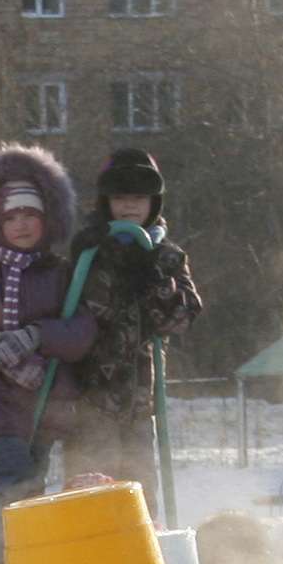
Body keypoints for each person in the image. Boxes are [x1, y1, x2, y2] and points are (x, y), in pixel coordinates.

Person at [0, 143, 99, 500]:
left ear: (48, 218)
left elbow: (82, 331)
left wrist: (37, 335)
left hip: (44, 403)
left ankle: (29, 554)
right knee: (11, 493)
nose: (21, 224)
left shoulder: (60, 273)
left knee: (36, 495)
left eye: (30, 214)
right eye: (11, 217)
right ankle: (0, 556)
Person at [65, 147, 204, 490]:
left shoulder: (167, 255)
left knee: (139, 493)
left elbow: (182, 316)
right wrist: (95, 258)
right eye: (121, 197)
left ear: (153, 202)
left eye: (139, 197)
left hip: (140, 400)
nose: (130, 206)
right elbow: (72, 310)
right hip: (90, 398)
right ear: (106, 201)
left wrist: (154, 277)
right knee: (91, 493)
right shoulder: (90, 251)